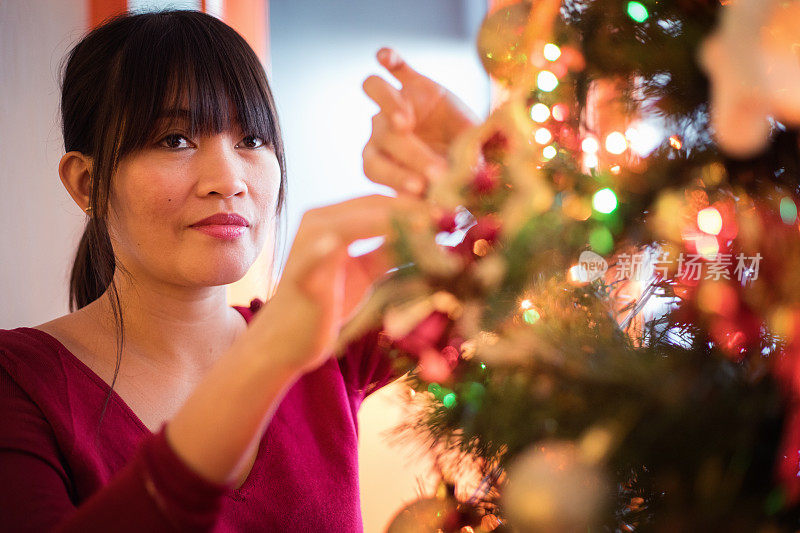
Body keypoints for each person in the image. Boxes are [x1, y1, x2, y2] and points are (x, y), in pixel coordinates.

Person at [0, 10, 469, 532]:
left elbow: (541, 283)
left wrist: (481, 164)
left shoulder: (330, 344)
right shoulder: (17, 382)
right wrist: (268, 357)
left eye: (251, 139)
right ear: (88, 183)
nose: (228, 179)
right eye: (174, 140)